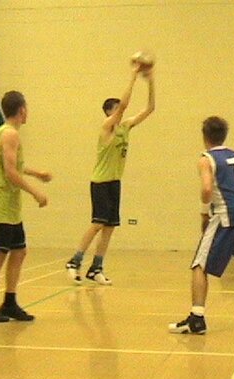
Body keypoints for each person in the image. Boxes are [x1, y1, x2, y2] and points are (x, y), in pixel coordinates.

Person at [169, 116, 234, 335]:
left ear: (204, 136)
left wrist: (203, 213)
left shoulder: (206, 159)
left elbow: (207, 189)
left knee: (199, 263)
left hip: (227, 215)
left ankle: (196, 318)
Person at [65, 64, 155, 285]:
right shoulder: (107, 127)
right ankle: (74, 261)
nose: (120, 111)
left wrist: (151, 80)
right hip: (100, 182)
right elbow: (124, 106)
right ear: (108, 112)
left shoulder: (125, 127)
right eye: (116, 109)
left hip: (114, 182)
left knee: (110, 227)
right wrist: (133, 76)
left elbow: (150, 108)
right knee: (97, 224)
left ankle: (96, 267)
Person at [0, 91, 52, 323]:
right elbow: (9, 172)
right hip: (0, 203)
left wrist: (37, 173)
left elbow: (15, 165)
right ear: (22, 109)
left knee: (19, 251)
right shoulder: (9, 135)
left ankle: (10, 301)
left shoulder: (5, 132)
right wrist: (35, 191)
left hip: (10, 206)